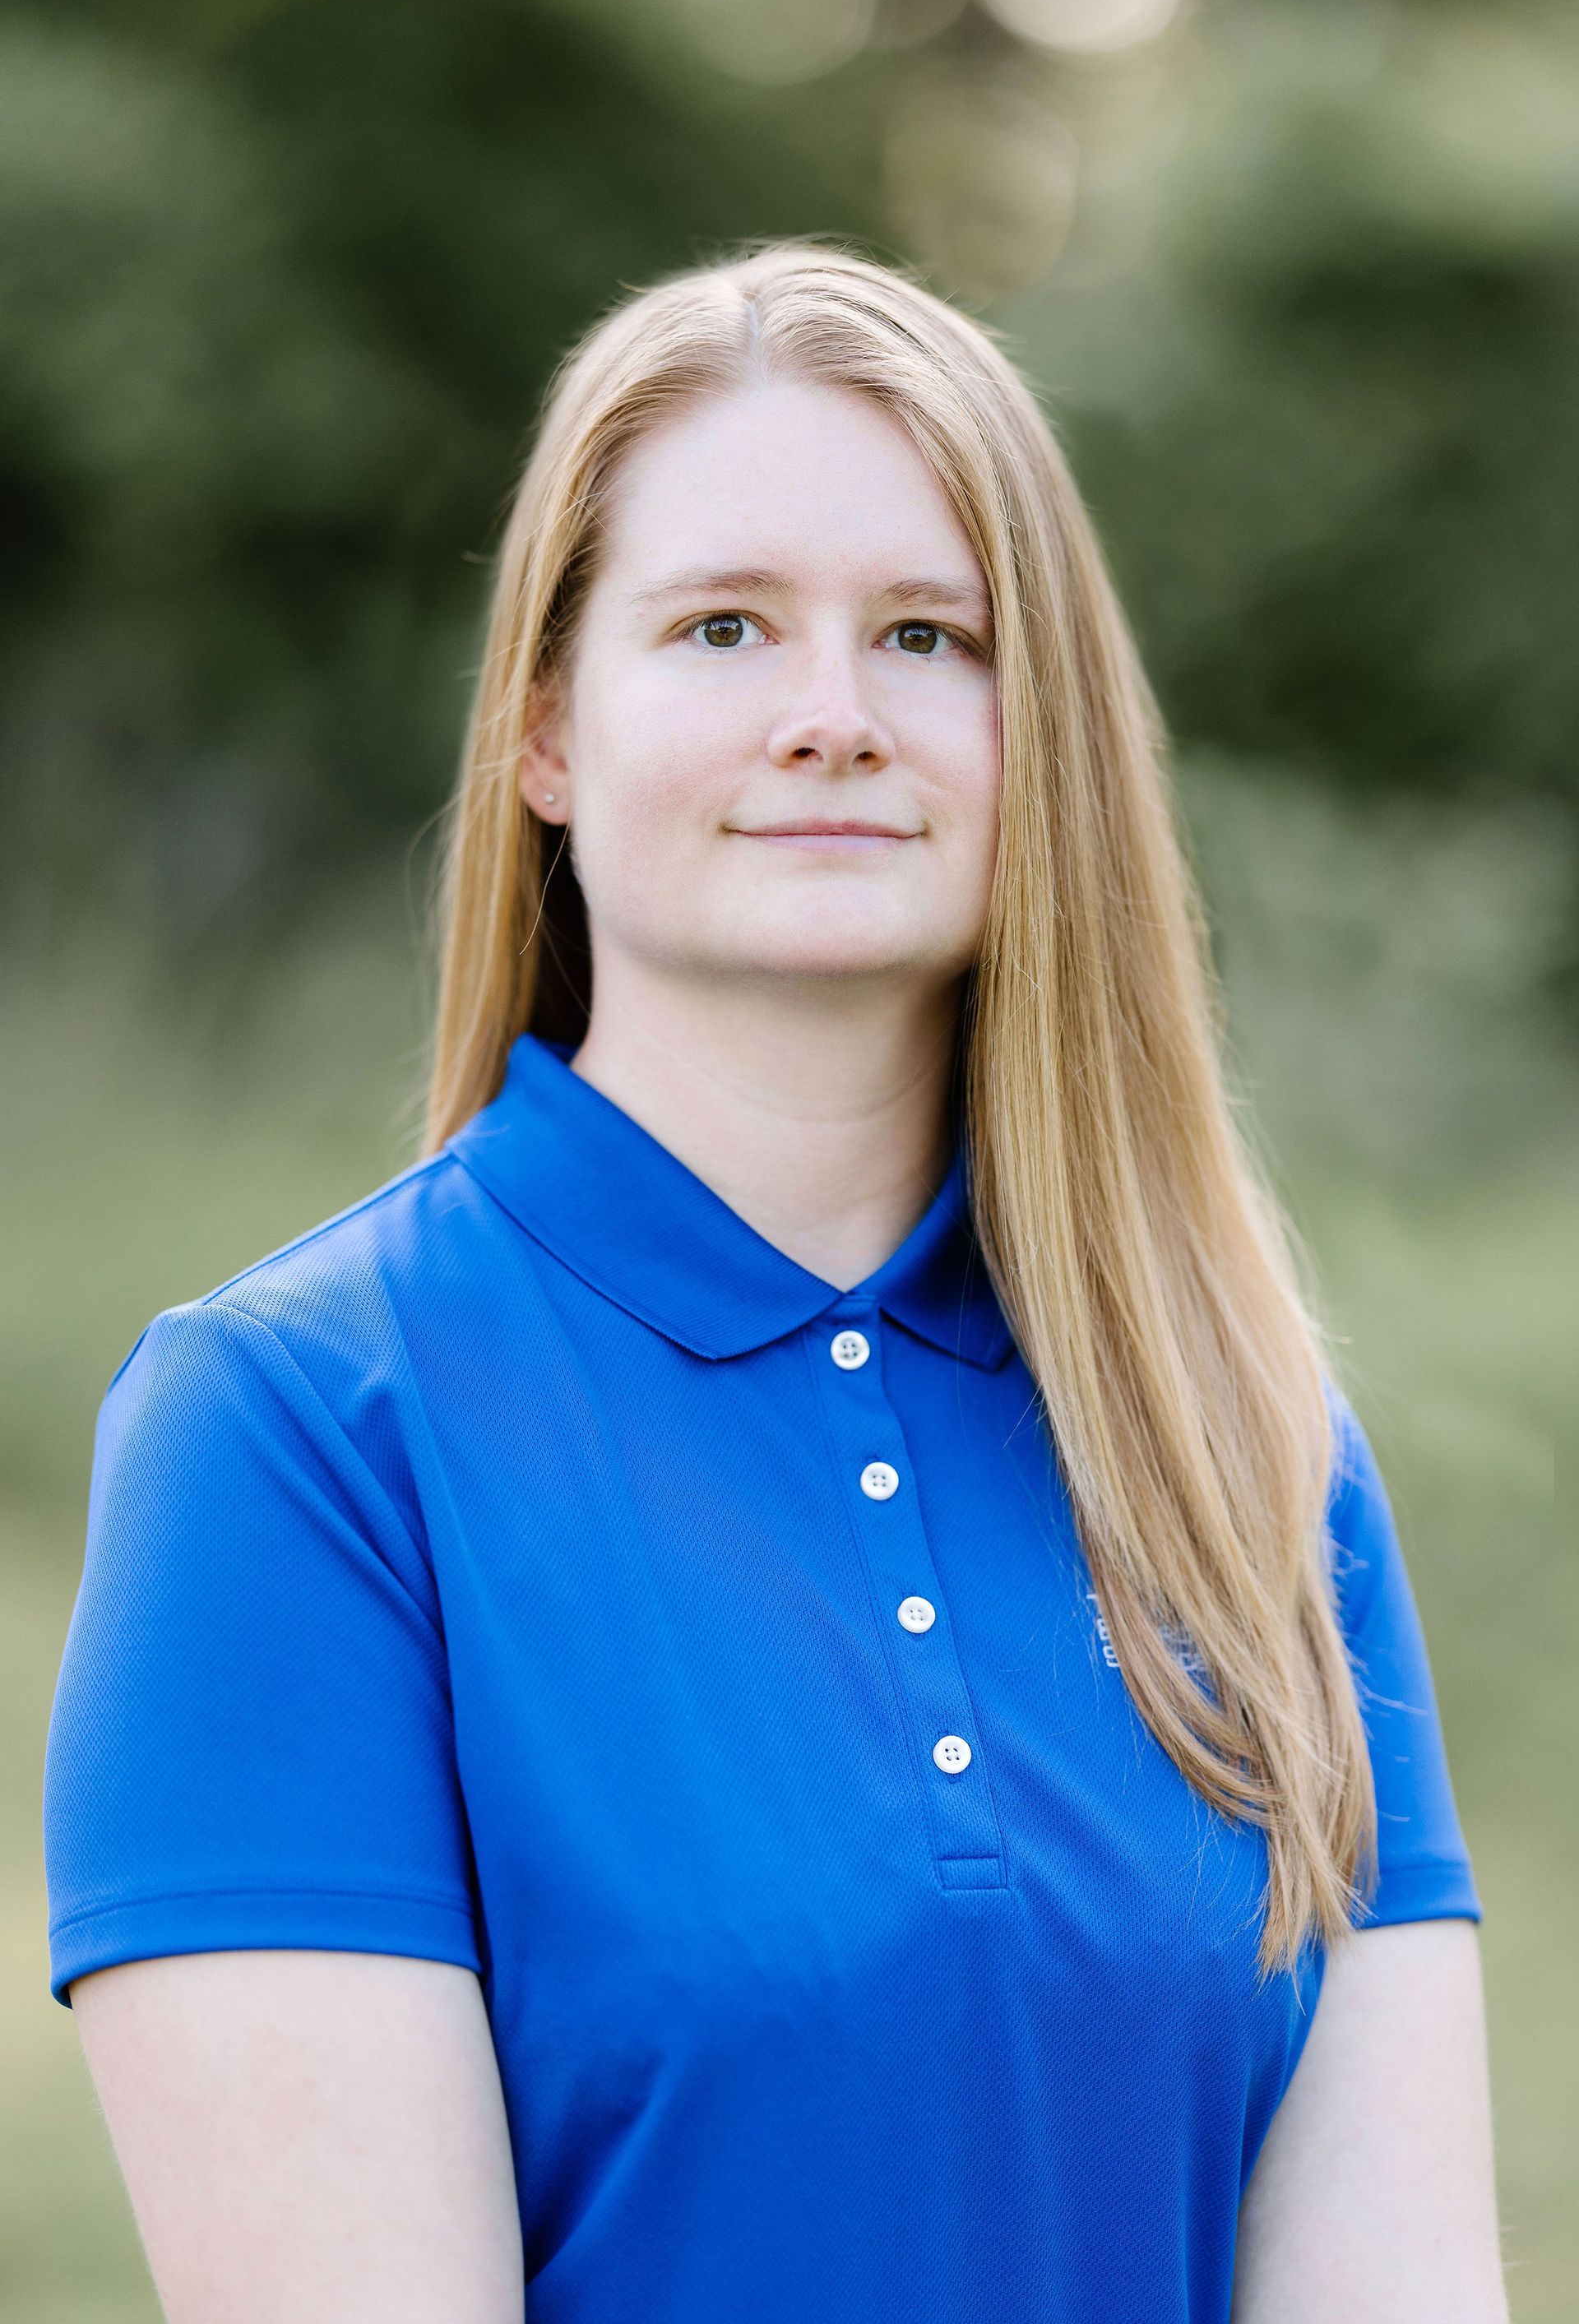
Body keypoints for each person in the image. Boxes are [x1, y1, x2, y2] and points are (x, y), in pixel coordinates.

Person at [43, 243, 1508, 2323]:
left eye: (929, 634)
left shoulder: (1247, 1440)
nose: (834, 719)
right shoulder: (289, 1438)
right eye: (723, 626)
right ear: (549, 728)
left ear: (1047, 739)